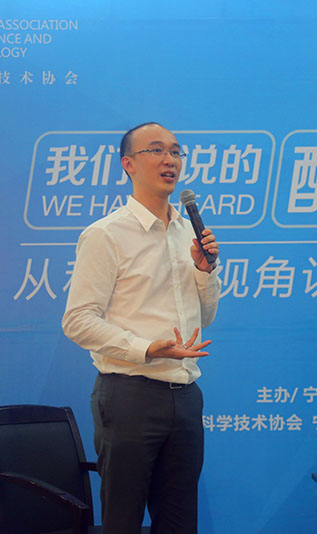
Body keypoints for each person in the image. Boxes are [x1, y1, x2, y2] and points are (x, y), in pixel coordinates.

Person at [62, 122, 221, 534]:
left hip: (185, 395)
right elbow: (77, 321)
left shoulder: (188, 231)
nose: (170, 160)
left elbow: (203, 318)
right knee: (123, 520)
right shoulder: (106, 234)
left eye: (176, 151)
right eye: (156, 150)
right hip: (129, 396)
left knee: (179, 522)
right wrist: (146, 348)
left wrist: (205, 272)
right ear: (128, 164)